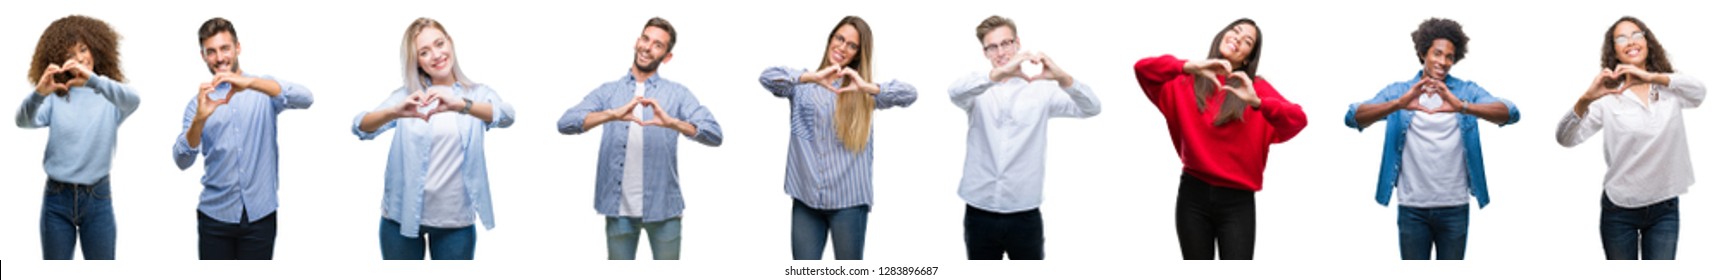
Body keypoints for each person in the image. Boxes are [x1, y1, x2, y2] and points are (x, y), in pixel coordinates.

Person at [1344, 18, 1521, 260]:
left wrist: (1462, 107)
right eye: (1437, 53)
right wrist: (1399, 104)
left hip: (1455, 207)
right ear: (1422, 53)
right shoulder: (1399, 92)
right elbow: (1353, 117)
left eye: (1449, 56)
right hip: (1412, 208)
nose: (1443, 62)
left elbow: (1510, 113)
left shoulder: (1465, 91)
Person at [1132, 18, 1306, 260]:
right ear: (1221, 35)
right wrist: (1188, 66)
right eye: (1235, 31)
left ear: (1247, 58)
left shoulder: (1253, 89)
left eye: (1247, 41)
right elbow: (1142, 68)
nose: (1238, 38)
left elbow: (1297, 120)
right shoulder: (1184, 82)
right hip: (1192, 196)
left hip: (1237, 202)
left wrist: (1258, 102)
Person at [558, 17, 723, 260]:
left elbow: (715, 134)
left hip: (665, 211)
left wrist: (673, 123)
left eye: (657, 44)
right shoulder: (609, 91)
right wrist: (610, 114)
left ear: (666, 56)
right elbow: (565, 123)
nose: (647, 47)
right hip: (618, 212)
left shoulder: (677, 94)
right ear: (637, 42)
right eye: (645, 39)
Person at [353, 17, 514, 260]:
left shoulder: (477, 94)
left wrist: (461, 105)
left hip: (455, 221)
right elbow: (361, 127)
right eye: (424, 52)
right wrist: (395, 111)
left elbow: (507, 115)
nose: (436, 55)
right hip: (400, 217)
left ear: (450, 42)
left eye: (440, 44)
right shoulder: (406, 96)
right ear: (416, 61)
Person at [758, 15, 917, 260]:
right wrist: (811, 76)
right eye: (839, 39)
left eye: (851, 45)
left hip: (849, 203)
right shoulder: (802, 86)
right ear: (830, 39)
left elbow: (909, 94)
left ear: (858, 53)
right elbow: (767, 77)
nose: (842, 48)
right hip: (806, 199)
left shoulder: (861, 91)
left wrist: (868, 87)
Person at [948, 15, 1100, 260]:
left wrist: (1064, 78)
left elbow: (1091, 108)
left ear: (1018, 43)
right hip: (979, 210)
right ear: (985, 52)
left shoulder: (1042, 90)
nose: (1001, 52)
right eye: (993, 47)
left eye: (1006, 43)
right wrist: (997, 75)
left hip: (1025, 213)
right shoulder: (977, 89)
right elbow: (954, 93)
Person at [1556, 16, 1704, 260]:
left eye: (1637, 35)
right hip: (1620, 208)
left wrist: (1652, 77)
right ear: (1614, 50)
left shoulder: (1670, 88)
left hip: (1664, 206)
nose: (1630, 42)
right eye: (1621, 38)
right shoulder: (1608, 97)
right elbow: (1565, 138)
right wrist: (1585, 99)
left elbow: (1699, 92)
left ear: (1647, 41)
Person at [172, 17, 314, 260]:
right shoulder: (197, 104)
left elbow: (306, 98)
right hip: (215, 218)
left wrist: (251, 83)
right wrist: (199, 119)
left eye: (225, 48)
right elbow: (182, 161)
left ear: (238, 48)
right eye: (211, 52)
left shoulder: (263, 90)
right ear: (203, 56)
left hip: (260, 216)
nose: (219, 58)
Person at [17, 15, 140, 260]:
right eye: (71, 55)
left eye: (84, 49)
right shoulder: (55, 96)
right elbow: (23, 121)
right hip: (56, 198)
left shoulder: (108, 94)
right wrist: (39, 94)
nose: (81, 58)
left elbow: (134, 99)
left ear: (96, 47)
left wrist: (93, 80)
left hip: (98, 198)